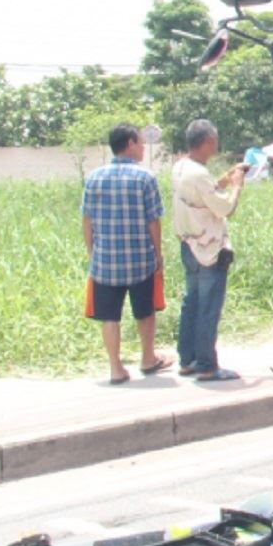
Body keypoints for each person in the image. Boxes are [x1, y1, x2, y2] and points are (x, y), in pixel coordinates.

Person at [80, 123, 170, 384]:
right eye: (140, 143)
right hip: (140, 259)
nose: (143, 148)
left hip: (105, 261)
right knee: (145, 311)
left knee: (109, 317)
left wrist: (91, 251)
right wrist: (158, 254)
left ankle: (116, 368)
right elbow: (153, 221)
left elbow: (87, 220)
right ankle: (147, 358)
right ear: (129, 143)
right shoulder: (145, 178)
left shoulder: (94, 177)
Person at [172, 119, 247, 382]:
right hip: (208, 248)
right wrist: (237, 184)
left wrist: (226, 178)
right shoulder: (199, 174)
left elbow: (203, 195)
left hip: (188, 245)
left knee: (191, 302)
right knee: (208, 306)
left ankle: (187, 358)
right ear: (206, 142)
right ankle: (206, 364)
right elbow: (225, 209)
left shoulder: (182, 167)